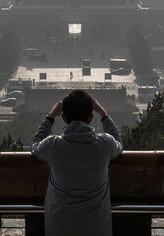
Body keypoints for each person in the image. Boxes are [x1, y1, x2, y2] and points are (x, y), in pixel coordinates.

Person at [31, 89, 123, 236]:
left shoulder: (52, 145)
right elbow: (118, 142)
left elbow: (35, 146)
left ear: (64, 118)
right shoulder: (105, 144)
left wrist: (50, 117)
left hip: (59, 226)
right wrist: (104, 114)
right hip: (97, 227)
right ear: (91, 118)